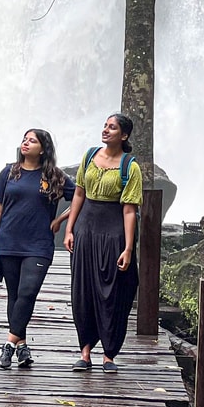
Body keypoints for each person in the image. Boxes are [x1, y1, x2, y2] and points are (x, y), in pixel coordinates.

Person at [0, 129, 75, 369]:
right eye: (24, 139)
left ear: (43, 148)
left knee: (27, 292)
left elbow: (79, 197)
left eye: (32, 140)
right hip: (9, 241)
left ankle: (9, 345)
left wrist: (61, 220)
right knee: (14, 295)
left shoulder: (54, 175)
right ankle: (22, 346)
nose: (25, 143)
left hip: (39, 244)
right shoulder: (9, 172)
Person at [63, 113, 144, 374]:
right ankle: (84, 352)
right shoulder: (89, 156)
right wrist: (69, 228)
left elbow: (130, 210)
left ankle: (109, 354)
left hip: (113, 232)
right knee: (83, 289)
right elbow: (78, 193)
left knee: (111, 290)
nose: (106, 130)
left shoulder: (129, 167)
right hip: (86, 228)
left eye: (113, 127)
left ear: (124, 135)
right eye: (105, 126)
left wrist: (129, 248)